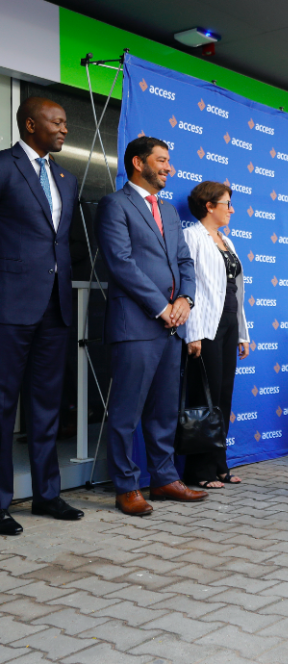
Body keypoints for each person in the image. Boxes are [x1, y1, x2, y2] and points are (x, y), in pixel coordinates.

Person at [97, 136, 207, 516]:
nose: (168, 168)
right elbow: (121, 263)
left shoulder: (170, 212)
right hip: (136, 326)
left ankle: (162, 478)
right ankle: (126, 486)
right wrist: (163, 306)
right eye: (161, 160)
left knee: (163, 411)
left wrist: (185, 301)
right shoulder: (115, 205)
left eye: (169, 161)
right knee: (126, 412)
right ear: (137, 163)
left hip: (171, 328)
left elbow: (185, 263)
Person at [0, 98, 84, 536]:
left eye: (66, 123)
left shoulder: (65, 179)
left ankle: (47, 495)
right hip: (10, 304)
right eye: (57, 122)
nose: (64, 129)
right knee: (2, 404)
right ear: (30, 124)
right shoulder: (3, 166)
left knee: (46, 405)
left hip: (55, 305)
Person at [182, 182, 250, 489]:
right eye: (227, 204)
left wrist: (242, 333)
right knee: (203, 400)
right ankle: (198, 470)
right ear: (209, 206)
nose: (231, 210)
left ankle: (220, 464)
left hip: (229, 325)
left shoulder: (228, 242)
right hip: (205, 327)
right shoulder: (192, 236)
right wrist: (192, 333)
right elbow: (189, 286)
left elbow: (236, 291)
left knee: (223, 397)